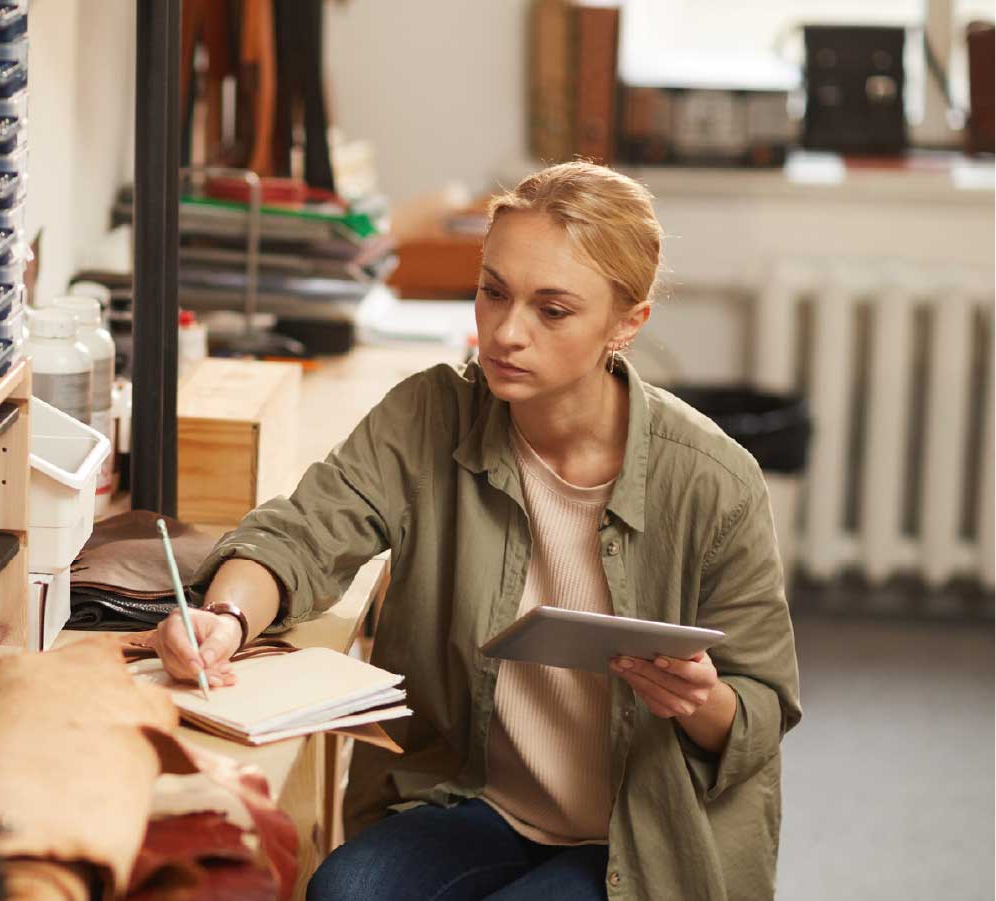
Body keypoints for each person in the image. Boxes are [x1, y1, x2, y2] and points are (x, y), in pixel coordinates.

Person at [152, 161, 802, 901]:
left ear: (627, 323)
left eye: (551, 311)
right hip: (477, 798)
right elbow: (301, 533)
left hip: (638, 833)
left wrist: (699, 700)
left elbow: (761, 709)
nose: (504, 331)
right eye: (493, 291)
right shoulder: (427, 415)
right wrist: (226, 617)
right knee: (344, 891)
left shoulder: (715, 480)